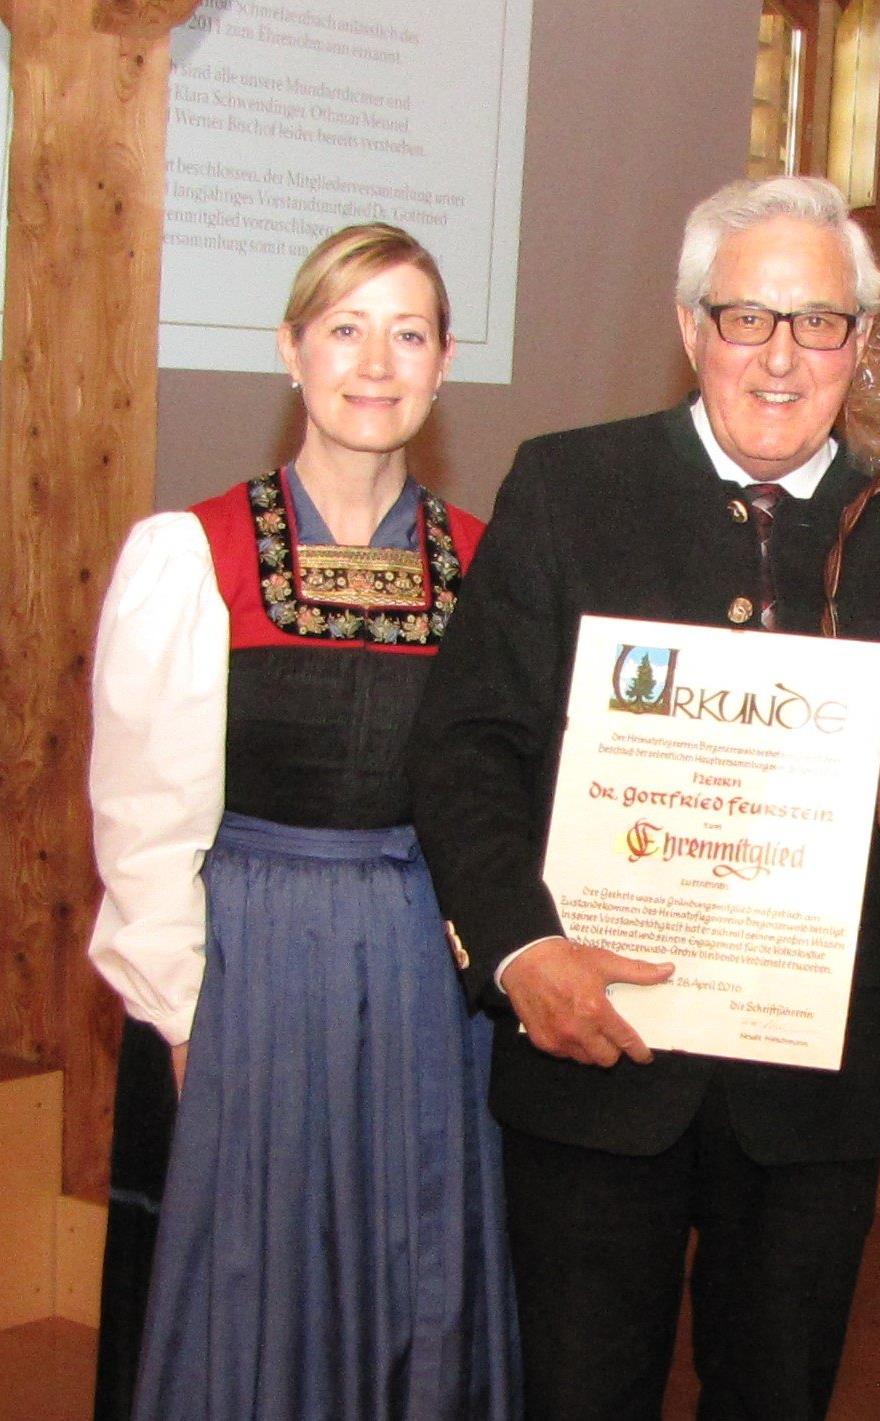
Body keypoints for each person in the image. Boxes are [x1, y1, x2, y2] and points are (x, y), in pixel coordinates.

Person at [406, 174, 880, 1421]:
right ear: (690, 329)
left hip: (817, 1094)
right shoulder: (570, 486)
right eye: (746, 318)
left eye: (819, 322)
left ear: (861, 343)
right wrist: (518, 952)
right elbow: (468, 744)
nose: (781, 358)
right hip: (593, 1055)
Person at [87, 223, 520, 1419]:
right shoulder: (195, 555)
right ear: (290, 349)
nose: (373, 361)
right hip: (253, 971)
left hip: (428, 975)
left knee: (414, 1265)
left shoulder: (486, 565)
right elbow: (143, 810)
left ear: (440, 370)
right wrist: (182, 1011)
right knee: (250, 1280)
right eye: (344, 326)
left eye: (408, 332)